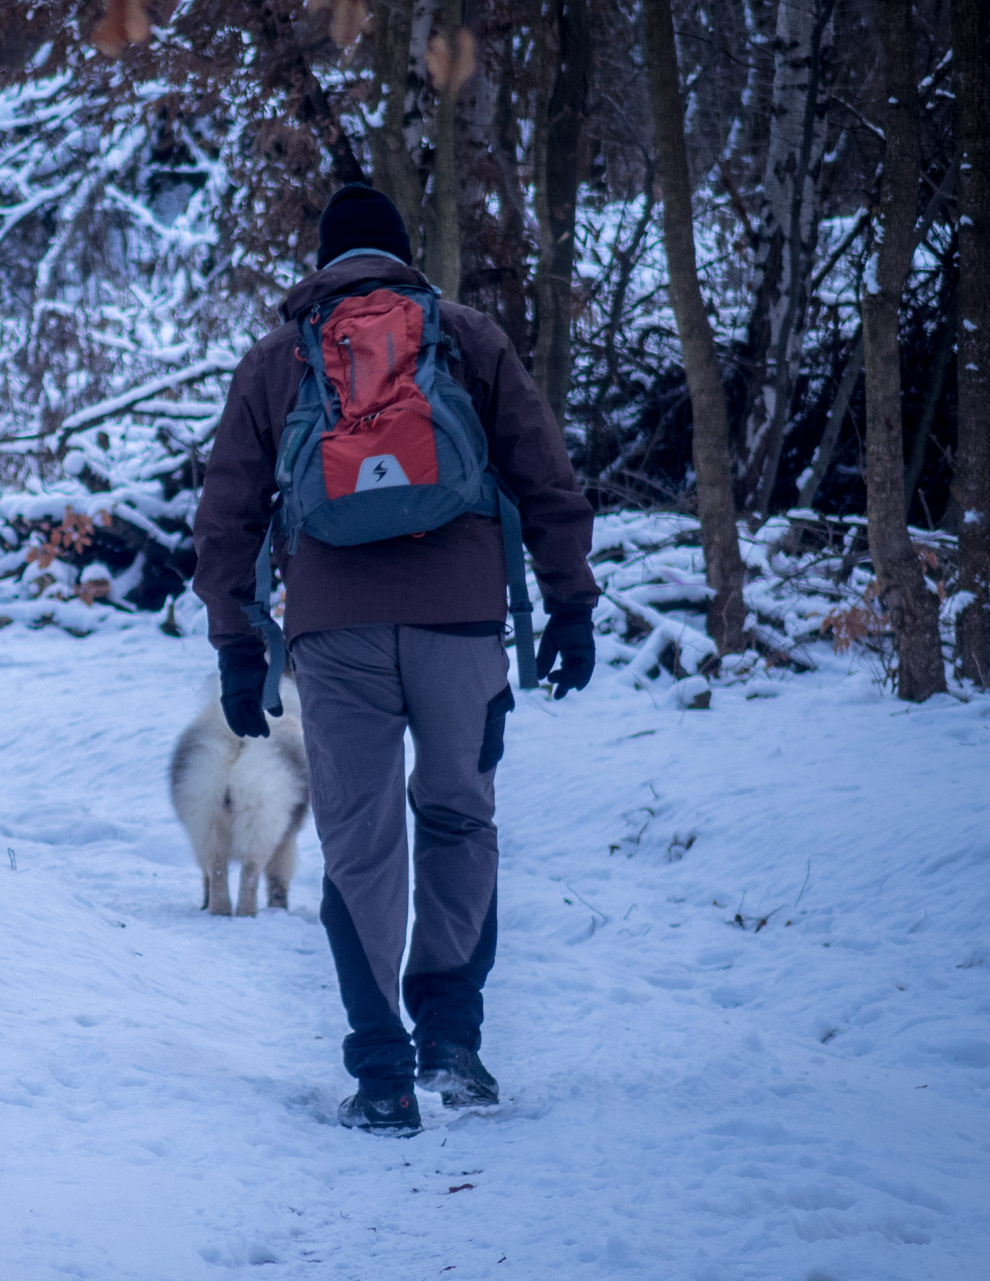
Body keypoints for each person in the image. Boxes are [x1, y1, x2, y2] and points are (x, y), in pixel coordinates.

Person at [192, 183, 600, 1134]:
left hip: (335, 633)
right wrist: (570, 603)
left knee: (361, 843)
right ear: (402, 255)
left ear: (325, 260)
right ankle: (452, 1041)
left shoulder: (278, 359)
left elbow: (227, 517)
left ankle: (382, 1073)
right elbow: (544, 474)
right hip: (461, 623)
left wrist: (237, 646)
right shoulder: (462, 335)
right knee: (460, 817)